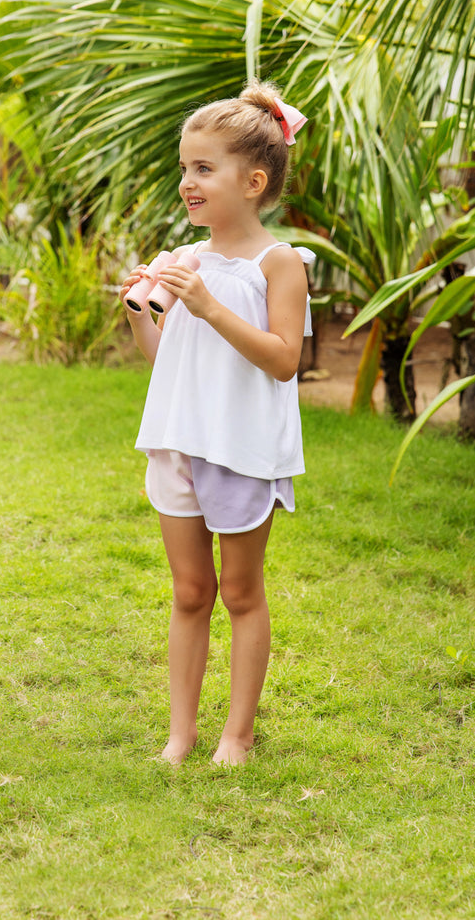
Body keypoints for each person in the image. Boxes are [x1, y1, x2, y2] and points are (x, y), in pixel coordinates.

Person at [120, 80, 314, 767]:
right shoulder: (186, 260)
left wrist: (206, 306)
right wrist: (145, 314)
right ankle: (181, 734)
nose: (187, 182)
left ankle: (238, 733)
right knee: (189, 590)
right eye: (185, 169)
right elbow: (166, 361)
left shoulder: (278, 263)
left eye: (203, 168)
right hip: (180, 442)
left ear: (253, 180)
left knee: (239, 590)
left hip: (241, 449)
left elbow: (284, 360)